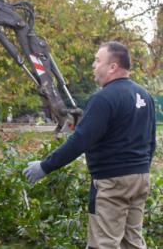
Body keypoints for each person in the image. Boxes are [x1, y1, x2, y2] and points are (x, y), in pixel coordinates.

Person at [23, 41, 156, 249]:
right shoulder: (145, 96)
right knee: (132, 242)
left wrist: (44, 166)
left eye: (97, 60)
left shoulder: (103, 98)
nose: (94, 65)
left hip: (112, 182)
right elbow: (151, 140)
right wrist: (141, 170)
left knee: (104, 244)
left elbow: (80, 140)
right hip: (140, 178)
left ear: (112, 66)